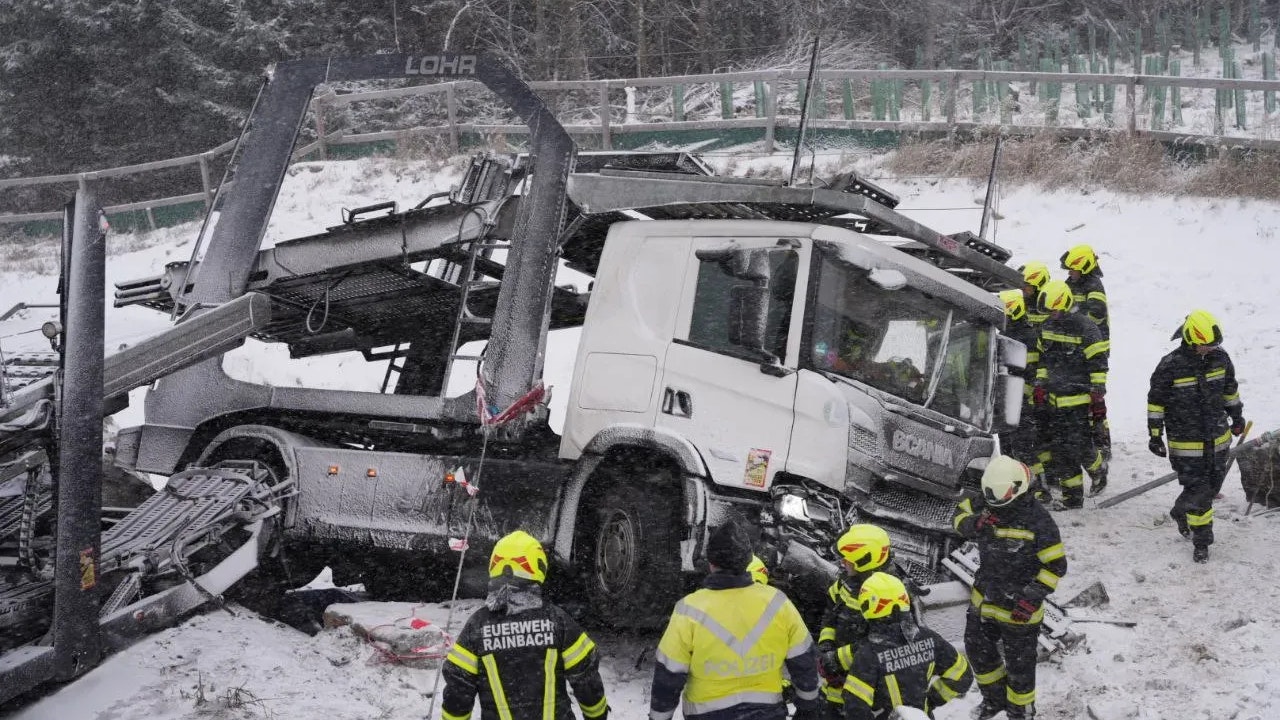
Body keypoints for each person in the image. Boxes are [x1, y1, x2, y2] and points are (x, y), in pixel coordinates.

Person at [650, 520, 821, 720]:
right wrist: (808, 708)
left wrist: (659, 718)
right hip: (767, 714)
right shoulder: (778, 603)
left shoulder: (688, 610)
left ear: (711, 562)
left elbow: (668, 677)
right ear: (748, 560)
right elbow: (804, 662)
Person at [441, 530, 609, 720]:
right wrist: (597, 716)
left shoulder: (477, 626)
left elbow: (458, 692)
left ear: (494, 567)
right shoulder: (558, 621)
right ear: (538, 567)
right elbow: (587, 680)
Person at [953, 456, 1066, 720]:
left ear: (1017, 490)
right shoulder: (987, 501)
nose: (996, 510)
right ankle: (994, 701)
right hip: (986, 599)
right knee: (977, 650)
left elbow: (1056, 566)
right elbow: (958, 516)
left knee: (1020, 668)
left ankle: (1021, 712)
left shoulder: (1039, 521)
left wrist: (1032, 598)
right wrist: (974, 524)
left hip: (1020, 610)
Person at [1147, 309, 1247, 563]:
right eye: (1206, 345)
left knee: (1210, 487)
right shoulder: (1170, 365)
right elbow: (1156, 402)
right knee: (1200, 492)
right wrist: (1155, 435)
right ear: (1191, 340)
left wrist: (1236, 417)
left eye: (1214, 345)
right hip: (1186, 442)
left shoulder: (1220, 360)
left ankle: (1181, 510)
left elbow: (1229, 390)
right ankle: (1201, 541)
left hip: (1217, 438)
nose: (1210, 349)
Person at [840, 572, 972, 720]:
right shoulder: (929, 639)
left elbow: (855, 709)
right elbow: (963, 676)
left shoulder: (868, 654)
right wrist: (930, 701)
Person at [1031, 279, 1109, 510]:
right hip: (1054, 399)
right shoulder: (1047, 327)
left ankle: (1098, 469)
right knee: (1061, 450)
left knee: (1080, 444)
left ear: (1064, 304)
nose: (1051, 315)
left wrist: (1097, 390)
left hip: (1078, 398)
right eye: (1049, 311)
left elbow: (1098, 363)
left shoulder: (1086, 328)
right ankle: (1072, 498)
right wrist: (1041, 382)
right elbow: (1044, 358)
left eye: (1054, 310)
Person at [816, 524, 900, 719]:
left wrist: (837, 659)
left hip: (872, 688)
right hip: (840, 678)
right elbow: (831, 612)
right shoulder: (846, 581)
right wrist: (826, 644)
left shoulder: (890, 592)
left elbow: (883, 643)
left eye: (848, 559)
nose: (842, 563)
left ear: (865, 560)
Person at [1060, 244, 1112, 495]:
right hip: (1075, 353)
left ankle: (1102, 444)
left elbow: (1097, 315)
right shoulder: (1072, 284)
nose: (1070, 273)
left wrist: (1070, 315)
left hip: (1093, 351)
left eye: (1074, 270)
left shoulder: (1094, 287)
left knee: (1093, 407)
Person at [998, 289, 1045, 486]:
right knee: (1007, 444)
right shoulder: (1007, 333)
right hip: (1007, 399)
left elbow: (1031, 372)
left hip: (1021, 402)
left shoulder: (1028, 337)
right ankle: (1015, 482)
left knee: (1023, 446)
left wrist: (1022, 396)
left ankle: (1039, 486)